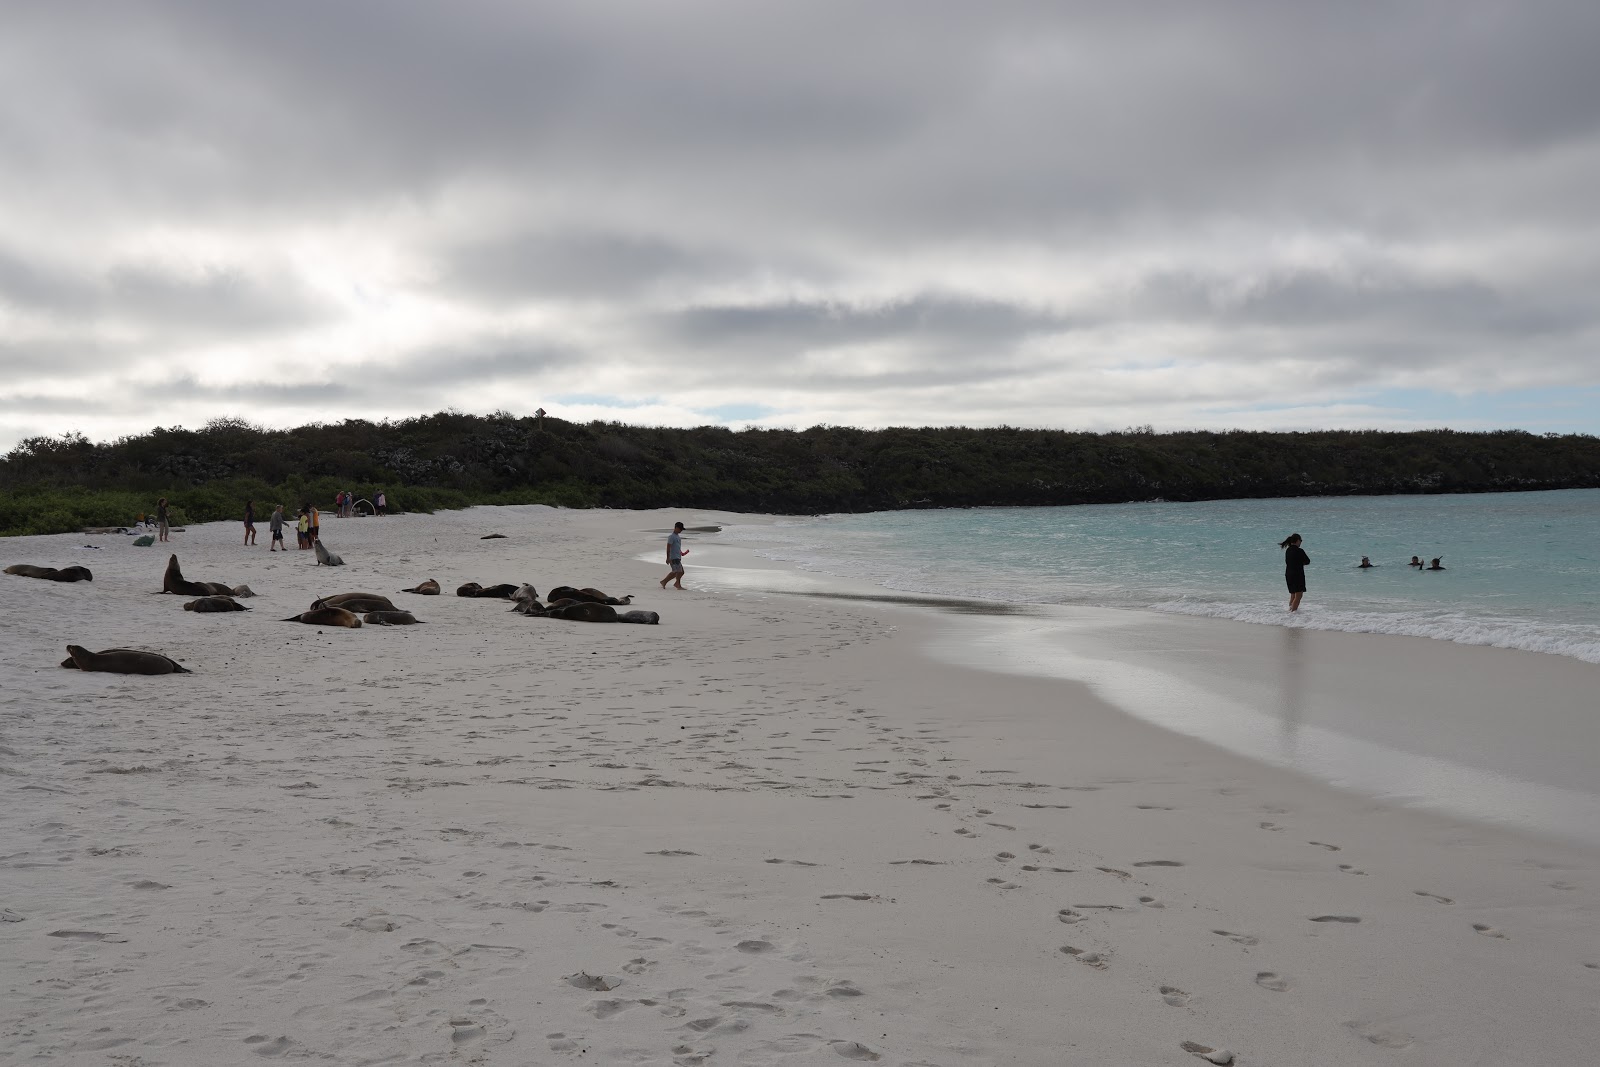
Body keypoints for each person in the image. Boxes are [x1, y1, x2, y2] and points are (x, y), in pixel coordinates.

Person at [1279, 533, 1309, 612]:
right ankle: (1293, 613)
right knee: (1298, 595)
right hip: (1297, 575)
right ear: (1297, 540)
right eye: (1300, 541)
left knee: (1293, 595)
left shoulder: (1288, 550)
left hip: (1288, 574)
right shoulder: (1299, 551)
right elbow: (1307, 561)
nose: (1301, 543)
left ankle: (1290, 611)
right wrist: (1301, 563)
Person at [659, 521, 689, 590]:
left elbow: (677, 547)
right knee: (676, 571)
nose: (681, 530)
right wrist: (668, 558)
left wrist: (681, 554)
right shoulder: (671, 537)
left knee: (681, 572)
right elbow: (668, 547)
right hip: (673, 557)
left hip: (677, 557)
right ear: (676, 528)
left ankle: (668, 582)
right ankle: (674, 584)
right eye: (680, 529)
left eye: (682, 529)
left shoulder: (678, 537)